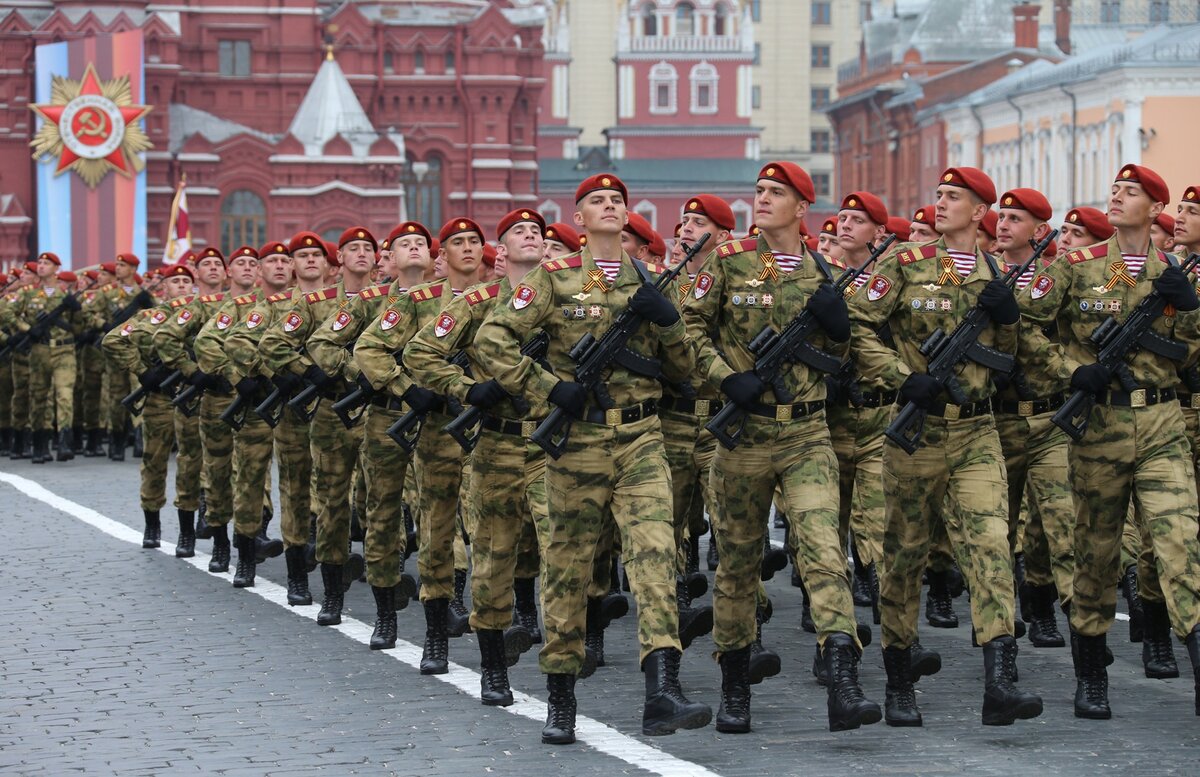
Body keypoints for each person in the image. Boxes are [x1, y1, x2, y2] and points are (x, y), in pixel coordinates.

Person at [475, 173, 710, 744]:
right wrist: (547, 388)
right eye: (598, 201)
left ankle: (662, 691)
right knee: (568, 567)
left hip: (642, 439)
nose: (610, 206)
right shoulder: (553, 279)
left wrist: (669, 321)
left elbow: (684, 371)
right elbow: (492, 340)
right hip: (577, 442)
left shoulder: (651, 283)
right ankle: (560, 695)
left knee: (656, 555)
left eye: (618, 201)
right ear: (578, 219)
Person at [682, 162, 878, 734]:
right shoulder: (726, 260)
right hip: (742, 435)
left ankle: (843, 677)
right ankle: (735, 685)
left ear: (802, 208)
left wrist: (840, 332)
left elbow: (854, 353)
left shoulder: (830, 272)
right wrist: (725, 378)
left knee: (823, 551)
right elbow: (687, 330)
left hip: (807, 434)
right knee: (738, 565)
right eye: (760, 191)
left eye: (776, 193)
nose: (762, 199)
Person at [849, 166, 1042, 727]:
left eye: (953, 197)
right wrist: (898, 375)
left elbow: (1007, 356)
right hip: (918, 431)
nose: (941, 203)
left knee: (990, 546)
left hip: (978, 429)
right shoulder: (905, 264)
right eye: (938, 194)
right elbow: (858, 325)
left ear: (979, 211)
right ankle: (900, 679)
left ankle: (1000, 682)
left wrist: (1008, 321)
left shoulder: (994, 274)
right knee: (905, 556)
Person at [1019, 164, 1200, 719]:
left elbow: (1191, 354)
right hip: (1098, 428)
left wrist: (1190, 311)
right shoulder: (1078, 267)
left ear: (1155, 208)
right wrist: (1071, 370)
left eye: (1132, 192)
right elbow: (1025, 328)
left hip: (1164, 423)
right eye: (1115, 191)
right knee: (1095, 558)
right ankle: (1092, 674)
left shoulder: (1177, 272)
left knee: (1181, 545)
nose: (1117, 198)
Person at [406, 208, 553, 705]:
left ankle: (561, 671)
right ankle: (490, 665)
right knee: (489, 557)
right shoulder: (478, 301)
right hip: (496, 443)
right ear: (503, 250)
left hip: (557, 445)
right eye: (519, 232)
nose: (531, 237)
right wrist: (468, 389)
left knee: (564, 553)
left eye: (539, 231)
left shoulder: (573, 293)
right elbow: (419, 353)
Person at [307, 221, 433, 646]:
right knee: (378, 509)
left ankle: (440, 607)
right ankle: (373, 609)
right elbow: (324, 344)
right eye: (405, 244)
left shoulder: (450, 299)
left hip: (436, 417)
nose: (414, 249)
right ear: (390, 258)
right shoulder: (370, 301)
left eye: (421, 243)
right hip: (384, 417)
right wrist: (362, 374)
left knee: (435, 513)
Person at [261, 227, 376, 625]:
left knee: (378, 502)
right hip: (324, 410)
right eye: (353, 249)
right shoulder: (317, 303)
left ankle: (383, 590)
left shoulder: (393, 300)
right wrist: (309, 372)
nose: (361, 254)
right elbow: (274, 344)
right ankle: (309, 579)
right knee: (322, 499)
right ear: (339, 259)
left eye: (368, 248)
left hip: (378, 412)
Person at [225, 232, 335, 603]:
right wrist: (274, 373)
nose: (307, 261)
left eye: (315, 255)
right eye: (299, 255)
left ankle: (327, 565)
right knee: (291, 488)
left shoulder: (343, 303)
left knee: (332, 490)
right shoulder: (276, 306)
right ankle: (277, 569)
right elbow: (238, 340)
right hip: (291, 408)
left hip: (334, 408)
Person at [991, 188, 1075, 647]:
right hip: (996, 421)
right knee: (995, 529)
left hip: (1048, 419)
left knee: (1058, 523)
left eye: (1015, 219)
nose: (1003, 225)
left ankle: (1045, 603)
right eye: (1001, 217)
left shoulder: (1057, 277)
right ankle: (1000, 618)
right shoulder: (983, 273)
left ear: (1040, 231)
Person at [101, 264, 197, 548]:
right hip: (159, 399)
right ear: (163, 288)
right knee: (154, 461)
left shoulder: (201, 315)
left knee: (191, 462)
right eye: (175, 281)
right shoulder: (148, 317)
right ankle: (152, 523)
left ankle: (186, 531)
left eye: (185, 281)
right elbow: (113, 340)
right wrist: (142, 370)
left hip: (191, 396)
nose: (181, 285)